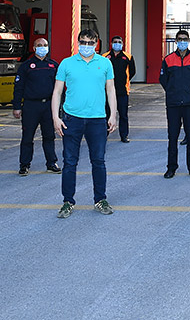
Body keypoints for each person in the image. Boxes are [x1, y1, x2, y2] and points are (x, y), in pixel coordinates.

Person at [51, 29, 118, 218]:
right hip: (72, 118)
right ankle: (67, 202)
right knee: (70, 162)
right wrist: (56, 117)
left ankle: (100, 199)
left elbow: (111, 90)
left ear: (97, 43)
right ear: (78, 42)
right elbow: (56, 92)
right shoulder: (67, 63)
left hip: (97, 119)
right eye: (83, 42)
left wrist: (113, 115)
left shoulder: (105, 63)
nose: (86, 46)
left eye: (90, 43)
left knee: (98, 161)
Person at [12, 37, 61, 176]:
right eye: (39, 45)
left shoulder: (53, 65)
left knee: (49, 136)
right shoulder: (26, 66)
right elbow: (18, 87)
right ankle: (24, 165)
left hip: (48, 106)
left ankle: (51, 163)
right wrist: (17, 106)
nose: (42, 47)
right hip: (30, 106)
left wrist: (60, 108)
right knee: (27, 137)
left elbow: (60, 88)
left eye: (45, 45)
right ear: (34, 48)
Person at [159, 29, 190, 179]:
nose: (182, 42)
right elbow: (163, 79)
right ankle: (171, 167)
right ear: (176, 41)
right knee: (172, 137)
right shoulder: (168, 59)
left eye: (185, 39)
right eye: (180, 39)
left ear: (188, 41)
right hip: (174, 104)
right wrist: (172, 91)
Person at [105, 35, 137, 143]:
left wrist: (125, 80)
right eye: (115, 42)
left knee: (123, 115)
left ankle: (124, 136)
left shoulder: (128, 57)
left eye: (119, 42)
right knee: (106, 113)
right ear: (111, 43)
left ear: (122, 44)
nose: (117, 44)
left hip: (122, 91)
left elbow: (132, 71)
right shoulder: (105, 57)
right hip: (107, 92)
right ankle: (104, 134)